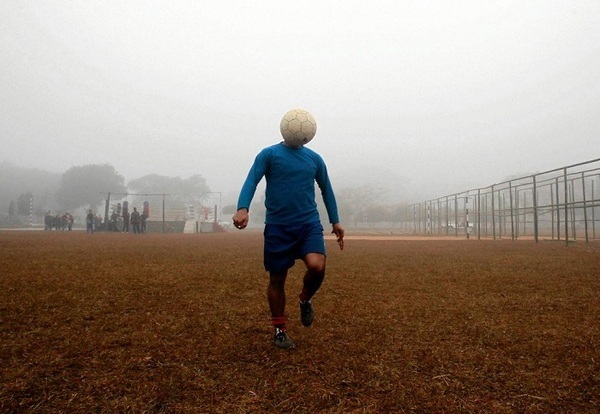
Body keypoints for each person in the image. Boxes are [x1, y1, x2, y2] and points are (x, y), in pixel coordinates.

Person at [233, 116, 345, 350]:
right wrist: (242, 207)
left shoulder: (314, 159)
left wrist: (335, 221)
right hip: (278, 227)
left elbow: (327, 189)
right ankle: (279, 330)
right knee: (277, 279)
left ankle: (305, 299)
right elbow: (252, 180)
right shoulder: (269, 154)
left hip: (308, 224)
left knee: (317, 265)